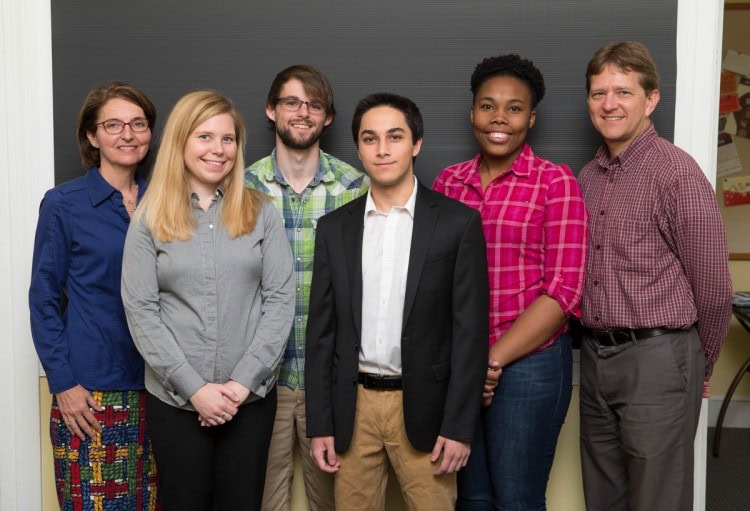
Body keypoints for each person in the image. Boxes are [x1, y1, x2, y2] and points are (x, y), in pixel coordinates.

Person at [305, 92, 489, 510]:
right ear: (359, 148)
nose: (382, 149)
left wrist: (460, 427)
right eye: (370, 139)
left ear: (416, 143)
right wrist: (320, 424)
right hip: (354, 408)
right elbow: (321, 334)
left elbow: (470, 334)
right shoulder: (335, 229)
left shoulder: (457, 223)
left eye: (394, 136)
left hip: (426, 406)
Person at [121, 91, 294, 510]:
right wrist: (196, 389)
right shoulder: (148, 218)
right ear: (181, 141)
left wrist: (238, 386)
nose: (218, 150)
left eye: (228, 139)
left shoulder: (263, 213)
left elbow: (280, 301)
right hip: (176, 402)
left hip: (249, 401)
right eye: (204, 137)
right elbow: (141, 310)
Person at [578, 41, 732, 511]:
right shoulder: (587, 177)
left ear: (651, 99)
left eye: (623, 91)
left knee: (658, 498)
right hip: (594, 357)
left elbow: (713, 287)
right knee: (603, 495)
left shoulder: (676, 173)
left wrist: (698, 366)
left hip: (659, 358)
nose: (609, 104)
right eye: (598, 92)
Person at [433, 54, 589, 510]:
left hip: (531, 366)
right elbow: (433, 281)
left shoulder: (555, 183)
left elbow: (563, 291)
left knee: (516, 499)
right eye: (488, 106)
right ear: (472, 113)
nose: (499, 118)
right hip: (460, 365)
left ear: (531, 118)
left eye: (514, 108)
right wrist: (469, 363)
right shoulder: (448, 184)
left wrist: (492, 360)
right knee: (471, 499)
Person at [29, 82, 159, 510]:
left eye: (138, 124)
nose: (128, 134)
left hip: (160, 390)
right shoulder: (64, 204)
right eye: (114, 125)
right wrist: (64, 385)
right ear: (92, 136)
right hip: (90, 393)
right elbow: (43, 300)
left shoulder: (164, 204)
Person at [245, 64, 367, 511]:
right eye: (291, 102)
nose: (302, 112)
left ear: (328, 118)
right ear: (271, 110)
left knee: (335, 503)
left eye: (314, 104)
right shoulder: (241, 188)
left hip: (333, 382)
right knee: (263, 501)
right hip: (259, 385)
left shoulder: (357, 188)